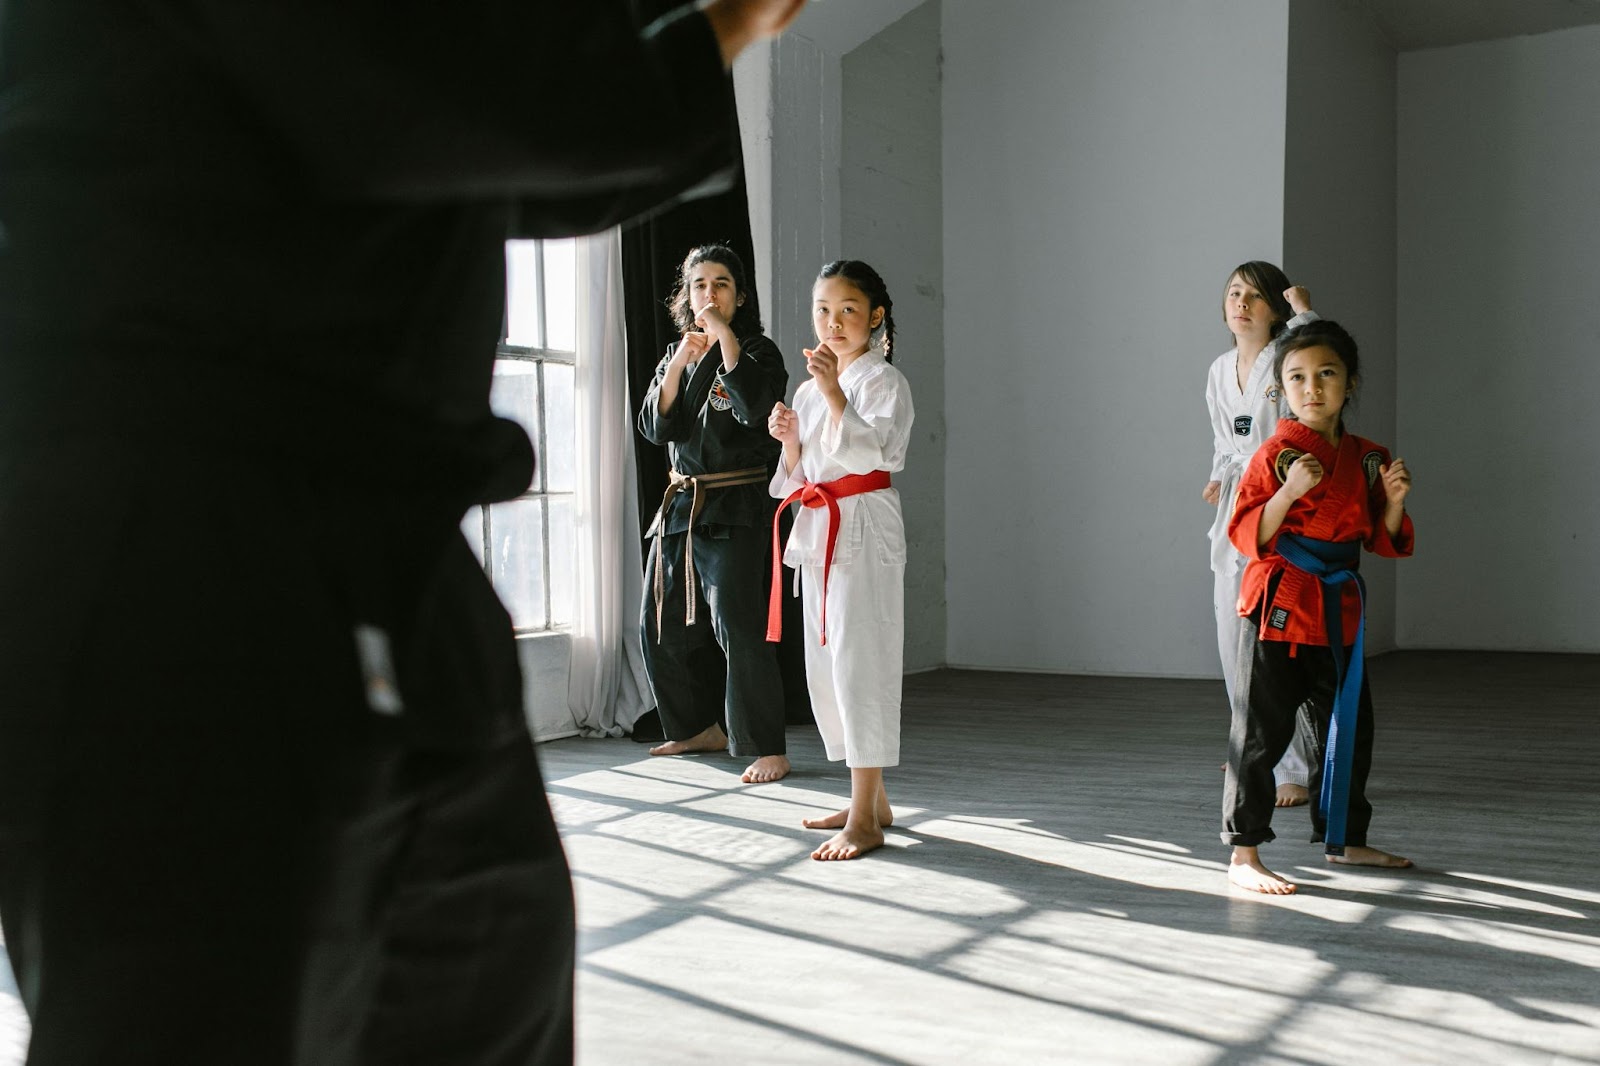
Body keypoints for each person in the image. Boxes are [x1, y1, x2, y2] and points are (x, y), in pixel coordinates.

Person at [0, 1, 806, 1062]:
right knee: (213, 1005)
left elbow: (510, 138)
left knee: (488, 973)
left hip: (381, 552)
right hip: (173, 553)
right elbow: (470, 97)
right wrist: (727, 27)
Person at [1222, 319, 1415, 895]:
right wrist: (1286, 493)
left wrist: (1396, 503)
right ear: (1281, 388)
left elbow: (1383, 541)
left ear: (1349, 384)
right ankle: (1244, 854)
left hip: (1338, 609)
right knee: (1260, 732)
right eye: (1298, 377)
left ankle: (1344, 839)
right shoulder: (1275, 455)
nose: (1313, 388)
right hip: (1280, 603)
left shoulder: (1369, 458)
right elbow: (1245, 534)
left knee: (1349, 729)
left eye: (1326, 374)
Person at [767, 260, 913, 861]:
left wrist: (831, 393)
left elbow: (878, 455)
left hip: (864, 527)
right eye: (822, 310)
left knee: (861, 663)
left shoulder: (885, 382)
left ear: (874, 316)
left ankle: (867, 817)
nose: (833, 322)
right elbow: (798, 479)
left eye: (848, 309)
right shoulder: (805, 387)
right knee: (823, 663)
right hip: (819, 522)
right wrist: (790, 443)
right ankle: (868, 802)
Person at [639, 244, 791, 784]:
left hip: (737, 506)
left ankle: (764, 744)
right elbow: (655, 428)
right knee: (658, 627)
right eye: (699, 284)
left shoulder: (759, 352)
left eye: (721, 283)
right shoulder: (673, 356)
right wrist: (682, 357)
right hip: (681, 505)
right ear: (686, 295)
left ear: (739, 295)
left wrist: (724, 339)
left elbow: (754, 410)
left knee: (739, 626)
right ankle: (696, 726)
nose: (709, 293)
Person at [1204, 261, 1320, 807]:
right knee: (1233, 638)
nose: (1240, 304)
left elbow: (1320, 357)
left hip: (1284, 505)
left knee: (1279, 642)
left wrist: (1303, 311)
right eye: (1233, 293)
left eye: (1253, 295)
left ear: (1273, 308)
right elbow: (1226, 438)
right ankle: (1252, 752)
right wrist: (1216, 475)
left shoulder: (1286, 359)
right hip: (1235, 508)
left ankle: (1296, 764)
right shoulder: (1219, 369)